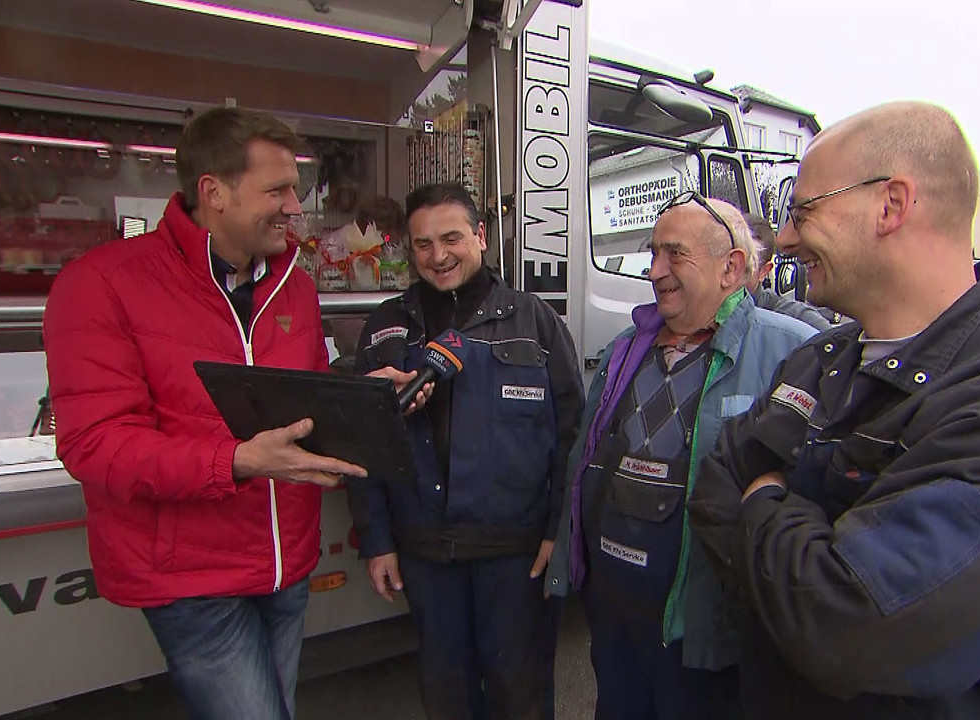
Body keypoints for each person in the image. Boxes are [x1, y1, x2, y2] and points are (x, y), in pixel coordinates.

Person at [688, 101, 980, 719]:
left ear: (891, 205)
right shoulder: (822, 357)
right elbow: (712, 488)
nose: (785, 237)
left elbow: (846, 628)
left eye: (804, 210)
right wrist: (802, 551)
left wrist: (762, 497)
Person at [44, 106, 420, 720]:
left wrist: (359, 392)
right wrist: (238, 461)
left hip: (284, 560)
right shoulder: (101, 284)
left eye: (294, 189)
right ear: (212, 193)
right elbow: (95, 444)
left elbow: (299, 393)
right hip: (192, 575)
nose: (296, 207)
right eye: (277, 190)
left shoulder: (291, 282)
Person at [545, 192, 817, 719]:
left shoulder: (794, 350)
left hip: (704, 629)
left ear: (730, 268)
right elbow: (584, 456)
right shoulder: (630, 346)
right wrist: (562, 548)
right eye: (652, 254)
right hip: (615, 614)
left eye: (674, 254)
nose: (654, 271)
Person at [348, 182, 585, 720]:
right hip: (427, 555)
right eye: (423, 244)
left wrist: (559, 531)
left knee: (519, 696)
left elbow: (573, 436)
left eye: (451, 237)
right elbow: (363, 444)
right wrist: (378, 540)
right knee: (447, 699)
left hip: (517, 555)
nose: (439, 256)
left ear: (481, 236)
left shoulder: (535, 322)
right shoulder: (387, 326)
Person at [741, 211, 833, 330]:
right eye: (727, 263)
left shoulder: (797, 320)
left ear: (764, 271)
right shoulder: (710, 315)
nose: (730, 277)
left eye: (744, 267)